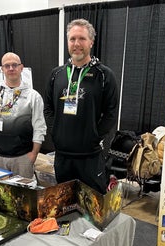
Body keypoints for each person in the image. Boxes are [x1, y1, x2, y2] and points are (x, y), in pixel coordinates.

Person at [44, 19, 119, 194]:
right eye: (72, 39)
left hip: (90, 157)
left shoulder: (104, 75)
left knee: (92, 207)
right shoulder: (57, 74)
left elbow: (111, 113)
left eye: (82, 39)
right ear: (67, 41)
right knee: (66, 203)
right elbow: (48, 107)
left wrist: (93, 136)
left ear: (91, 42)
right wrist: (56, 131)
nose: (77, 44)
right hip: (62, 156)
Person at [0, 52, 47, 179]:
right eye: (7, 66)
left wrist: (33, 154)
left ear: (21, 68)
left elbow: (39, 127)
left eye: (14, 65)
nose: (11, 68)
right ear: (2, 69)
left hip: (22, 158)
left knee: (23, 196)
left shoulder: (33, 96)